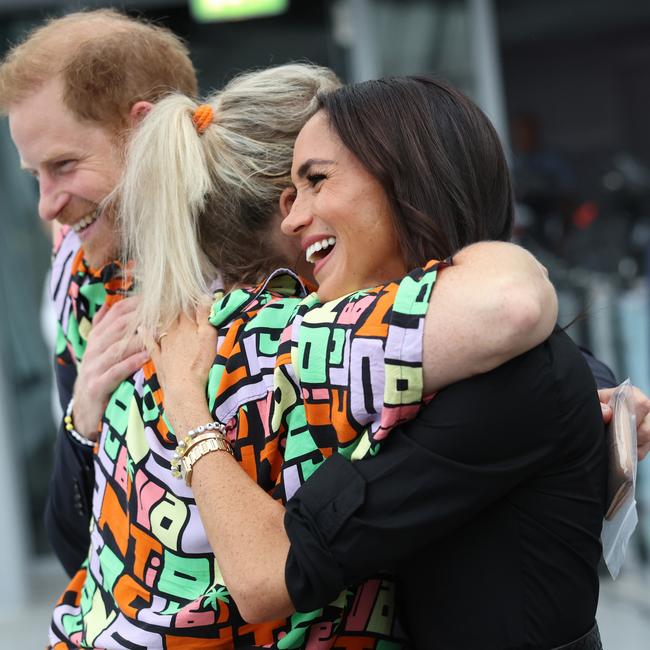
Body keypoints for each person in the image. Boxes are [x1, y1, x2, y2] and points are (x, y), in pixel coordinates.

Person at [47, 64, 560, 649]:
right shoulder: (305, 337)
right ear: (291, 205)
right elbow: (511, 305)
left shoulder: (160, 331)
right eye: (316, 178)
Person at [0, 8, 198, 575]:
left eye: (63, 165)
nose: (46, 205)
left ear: (143, 127)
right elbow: (72, 547)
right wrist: (83, 418)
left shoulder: (279, 240)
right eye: (34, 175)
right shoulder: (77, 275)